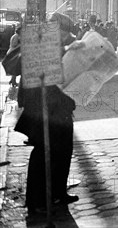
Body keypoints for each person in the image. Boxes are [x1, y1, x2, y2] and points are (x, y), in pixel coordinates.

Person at [15, 12, 84, 215]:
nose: (65, 37)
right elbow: (26, 62)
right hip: (43, 110)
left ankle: (58, 193)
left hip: (60, 109)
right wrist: (64, 48)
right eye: (63, 33)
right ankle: (36, 200)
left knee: (63, 153)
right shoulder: (39, 41)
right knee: (44, 154)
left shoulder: (63, 44)